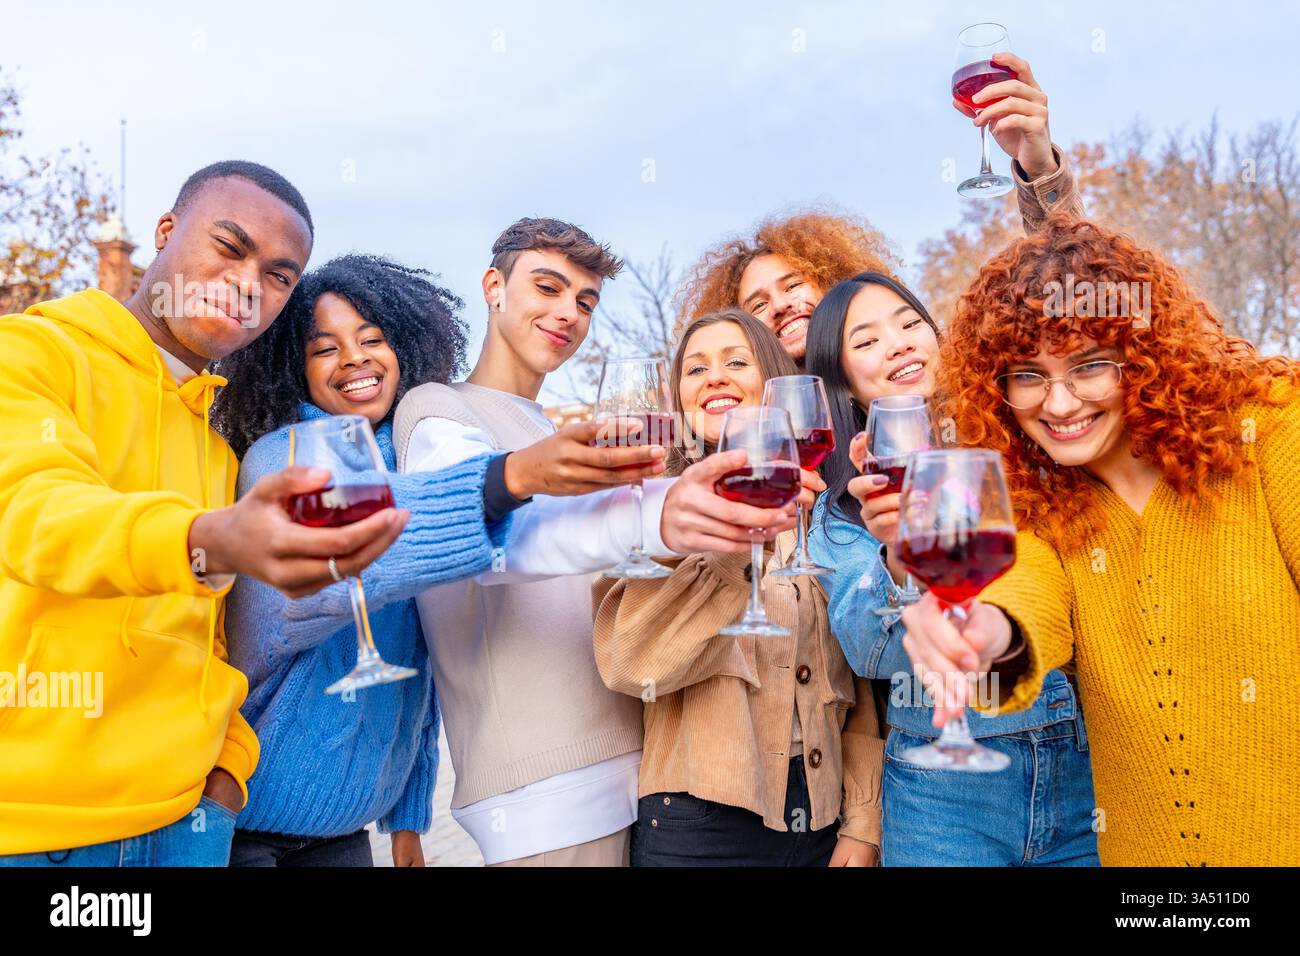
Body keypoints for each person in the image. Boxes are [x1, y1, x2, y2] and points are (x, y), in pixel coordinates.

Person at [0, 162, 405, 866]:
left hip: (191, 828)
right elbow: (36, 513)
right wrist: (206, 539)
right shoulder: (30, 355)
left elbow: (220, 645)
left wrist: (227, 775)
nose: (250, 284)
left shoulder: (221, 453)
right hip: (35, 832)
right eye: (230, 245)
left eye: (279, 276)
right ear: (165, 232)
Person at [211, 254, 669, 866]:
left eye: (372, 339)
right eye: (325, 349)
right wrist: (507, 478)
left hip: (343, 832)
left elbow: (417, 670)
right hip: (245, 822)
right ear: (294, 368)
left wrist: (407, 820)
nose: (354, 359)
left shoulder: (405, 460)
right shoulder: (282, 457)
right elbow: (348, 554)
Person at [391, 218, 797, 866]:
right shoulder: (438, 410)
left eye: (584, 301)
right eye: (547, 287)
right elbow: (494, 543)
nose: (567, 313)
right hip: (544, 796)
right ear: (494, 286)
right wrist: (659, 518)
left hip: (635, 777)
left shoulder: (551, 425)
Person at [896, 215, 1300, 866]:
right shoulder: (1038, 503)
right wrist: (984, 632)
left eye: (1089, 366)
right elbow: (1023, 598)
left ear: (1146, 355)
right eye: (1027, 375)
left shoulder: (1272, 431)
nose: (1058, 404)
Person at [803, 272, 1098, 866]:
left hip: (1083, 764)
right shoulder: (842, 511)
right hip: (940, 787)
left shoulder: (1032, 444)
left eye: (910, 324)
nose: (898, 343)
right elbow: (871, 656)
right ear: (845, 385)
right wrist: (896, 552)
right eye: (865, 341)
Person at [596, 309, 883, 866]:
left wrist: (864, 820)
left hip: (821, 820)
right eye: (695, 369)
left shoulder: (824, 521)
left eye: (735, 361)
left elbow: (857, 686)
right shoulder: (650, 513)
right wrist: (730, 544)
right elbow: (632, 664)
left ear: (775, 384)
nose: (714, 379)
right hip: (698, 823)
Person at [676, 53, 1080, 367]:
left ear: (835, 281)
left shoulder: (922, 368)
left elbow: (1075, 294)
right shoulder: (757, 430)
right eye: (758, 305)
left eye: (793, 284)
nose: (780, 306)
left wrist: (1040, 168)